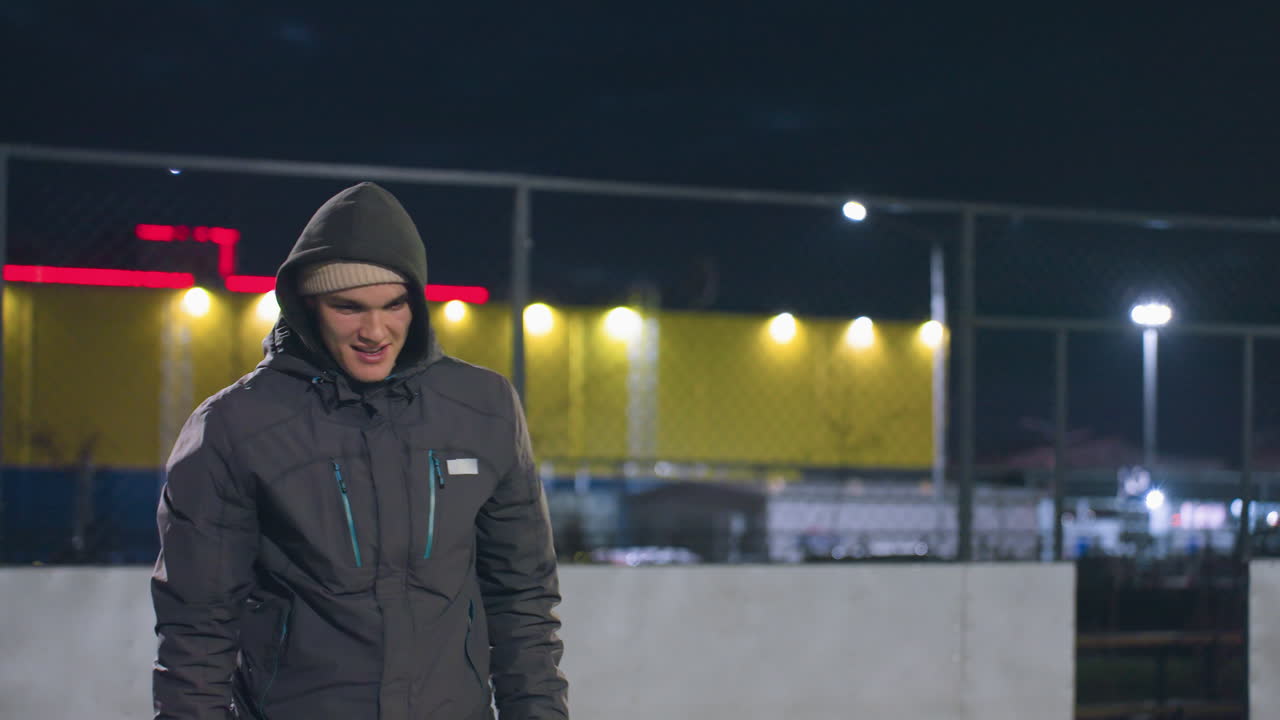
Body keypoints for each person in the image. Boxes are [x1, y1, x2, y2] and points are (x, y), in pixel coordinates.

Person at [151, 182, 568, 720]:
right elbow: (197, 628)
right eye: (348, 307)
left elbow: (523, 600)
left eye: (394, 305)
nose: (376, 331)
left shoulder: (483, 408)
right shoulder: (235, 427)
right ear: (306, 306)